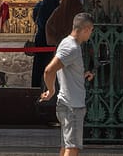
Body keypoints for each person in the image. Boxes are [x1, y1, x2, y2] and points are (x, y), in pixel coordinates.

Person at [41, 12, 96, 156]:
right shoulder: (71, 47)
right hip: (73, 106)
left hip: (68, 104)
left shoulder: (66, 42)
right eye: (91, 30)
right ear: (86, 29)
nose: (90, 34)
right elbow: (49, 70)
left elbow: (64, 70)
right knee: (72, 148)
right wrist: (51, 90)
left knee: (67, 145)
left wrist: (81, 75)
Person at [31, 0, 61, 88]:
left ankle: (35, 89)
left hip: (40, 39)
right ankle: (51, 89)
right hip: (54, 41)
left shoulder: (39, 6)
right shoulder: (59, 8)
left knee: (38, 66)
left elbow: (34, 19)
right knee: (53, 66)